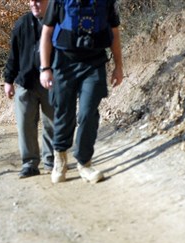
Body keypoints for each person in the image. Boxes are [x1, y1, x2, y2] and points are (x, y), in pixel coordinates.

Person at [39, 0, 123, 184]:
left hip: (94, 63)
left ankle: (84, 163)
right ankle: (59, 159)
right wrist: (45, 68)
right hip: (63, 63)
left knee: (88, 113)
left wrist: (119, 66)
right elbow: (47, 33)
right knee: (64, 113)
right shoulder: (59, 1)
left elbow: (114, 32)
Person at [3, 0, 55, 179]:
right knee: (25, 125)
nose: (34, 4)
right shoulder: (21, 23)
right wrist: (8, 80)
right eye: (31, 0)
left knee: (52, 124)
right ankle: (30, 163)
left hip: (51, 82)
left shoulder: (58, 20)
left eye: (38, 0)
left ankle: (52, 160)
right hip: (25, 83)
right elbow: (13, 55)